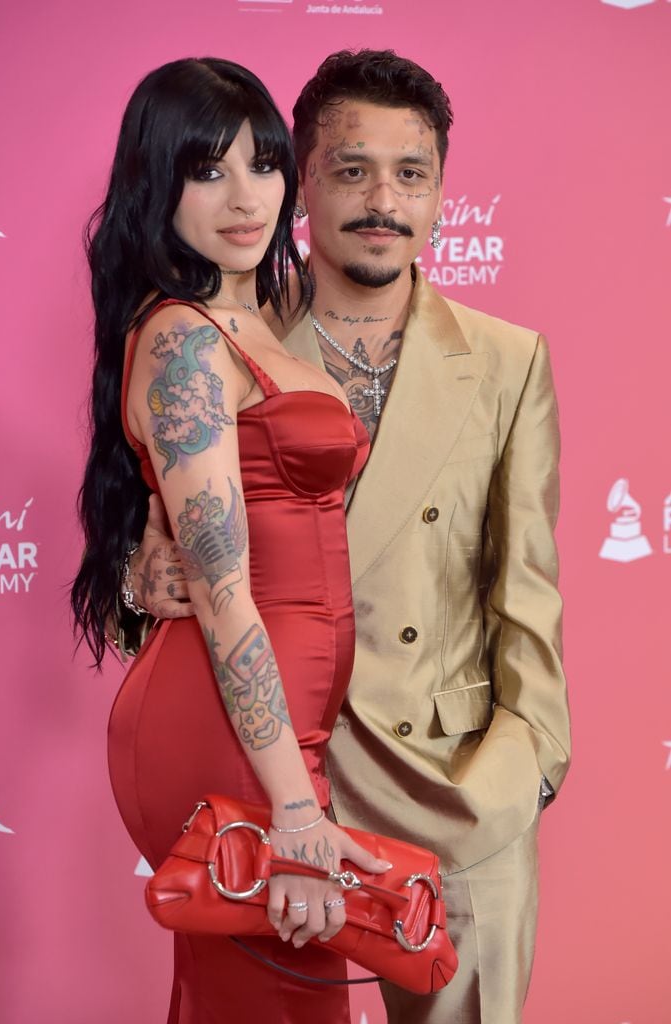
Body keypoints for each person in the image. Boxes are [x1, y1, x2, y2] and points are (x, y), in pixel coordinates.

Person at [123, 50, 571, 1024]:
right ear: (306, 181)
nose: (384, 201)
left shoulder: (506, 361)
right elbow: (179, 562)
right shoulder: (223, 340)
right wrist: (140, 580)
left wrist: (523, 769)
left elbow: (528, 586)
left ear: (444, 192)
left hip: (458, 781)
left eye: (411, 174)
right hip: (284, 770)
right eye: (352, 169)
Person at [70, 56, 390, 1024]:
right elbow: (223, 590)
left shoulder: (249, 326)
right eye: (208, 171)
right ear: (155, 184)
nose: (246, 197)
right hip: (233, 721)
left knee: (263, 994)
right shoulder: (183, 341)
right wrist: (295, 811)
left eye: (263, 164)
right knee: (270, 995)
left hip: (282, 724)